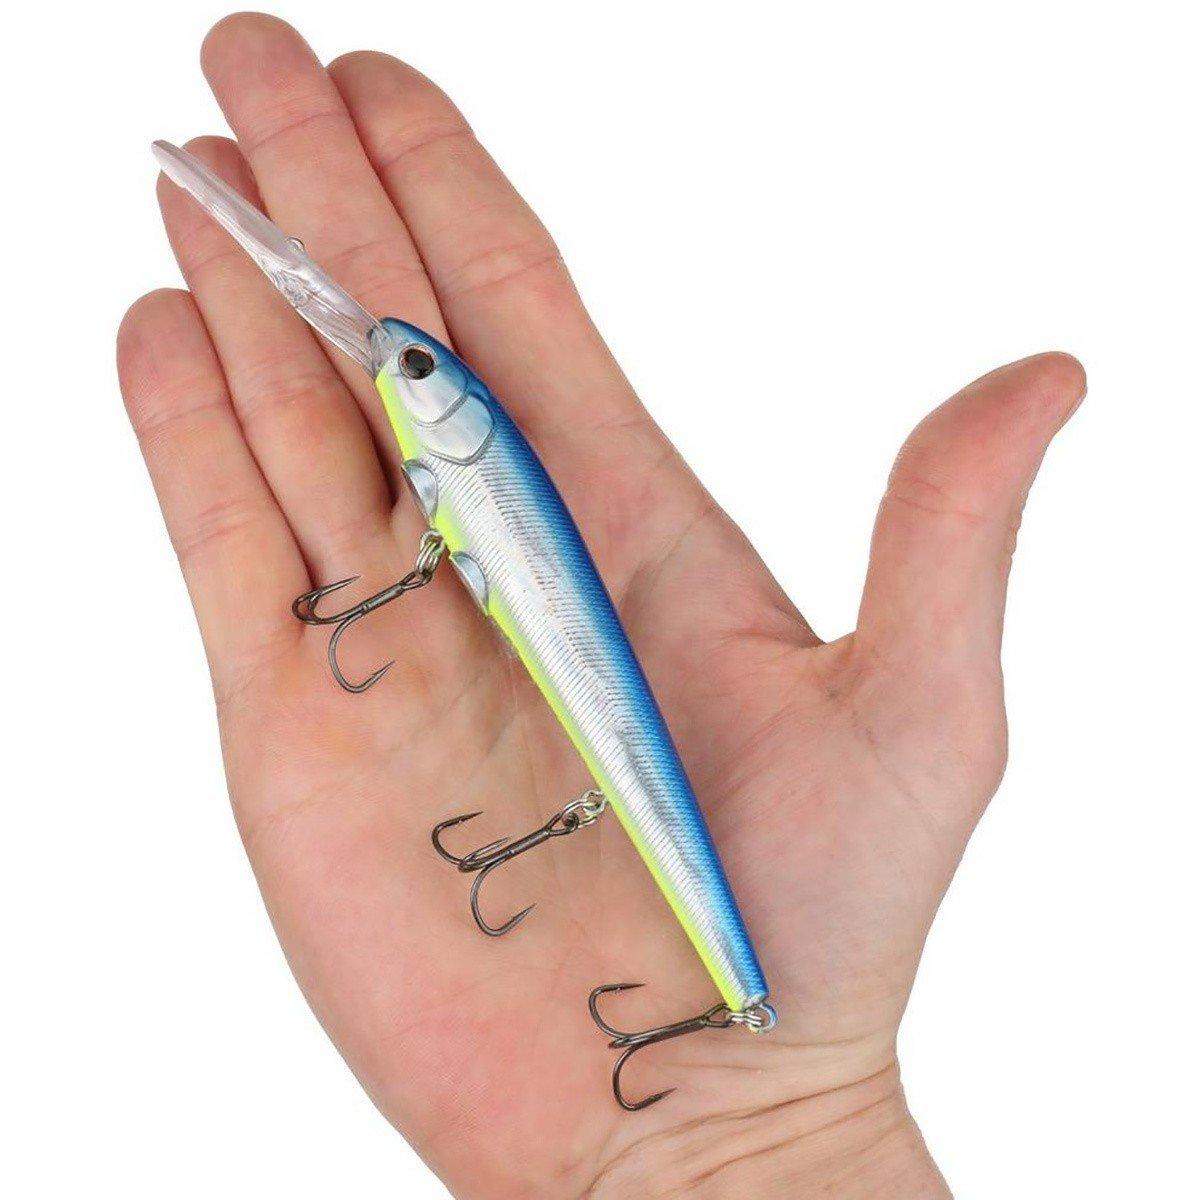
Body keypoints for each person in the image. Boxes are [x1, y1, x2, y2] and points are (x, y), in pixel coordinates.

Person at [116, 14, 1085, 1198]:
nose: (401, 372)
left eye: (416, 371)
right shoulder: (448, 451)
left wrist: (790, 1141)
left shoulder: (465, 444)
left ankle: (740, 989)